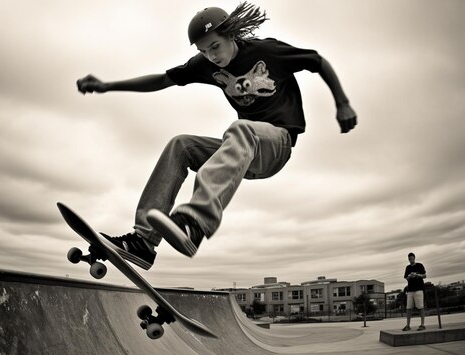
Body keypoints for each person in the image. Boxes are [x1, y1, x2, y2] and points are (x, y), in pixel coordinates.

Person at [76, 3, 357, 270]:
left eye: (215, 46)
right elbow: (163, 80)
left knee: (241, 129)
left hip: (276, 145)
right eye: (204, 50)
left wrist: (342, 102)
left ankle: (196, 222)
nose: (212, 56)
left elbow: (317, 61)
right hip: (239, 155)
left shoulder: (268, 51)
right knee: (181, 144)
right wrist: (106, 86)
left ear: (231, 34)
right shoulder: (205, 65)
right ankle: (142, 243)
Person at [402, 252, 427, 331]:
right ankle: (408, 325)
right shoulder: (408, 267)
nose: (411, 260)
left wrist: (417, 275)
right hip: (410, 290)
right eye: (409, 259)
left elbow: (424, 275)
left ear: (414, 258)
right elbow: (406, 278)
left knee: (420, 307)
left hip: (419, 289)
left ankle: (422, 324)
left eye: (412, 259)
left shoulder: (419, 265)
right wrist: (409, 276)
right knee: (408, 308)